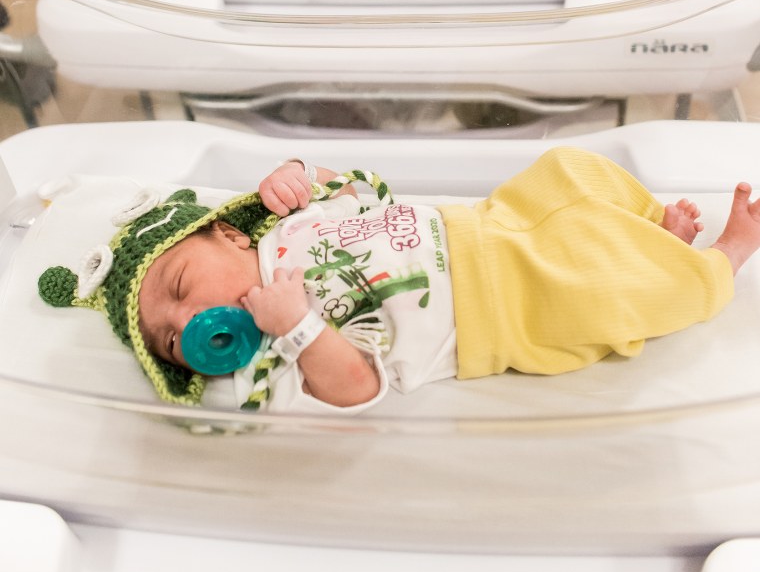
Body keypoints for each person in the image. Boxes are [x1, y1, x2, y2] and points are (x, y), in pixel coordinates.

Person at [38, 147, 760, 413]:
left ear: (229, 232)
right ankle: (714, 262)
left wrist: (302, 177)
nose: (188, 316)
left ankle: (648, 226)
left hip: (483, 223)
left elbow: (367, 191)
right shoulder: (276, 355)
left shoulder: (287, 229)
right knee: (605, 290)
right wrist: (296, 326)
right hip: (502, 307)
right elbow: (356, 386)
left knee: (571, 170)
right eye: (170, 339)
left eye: (183, 281)